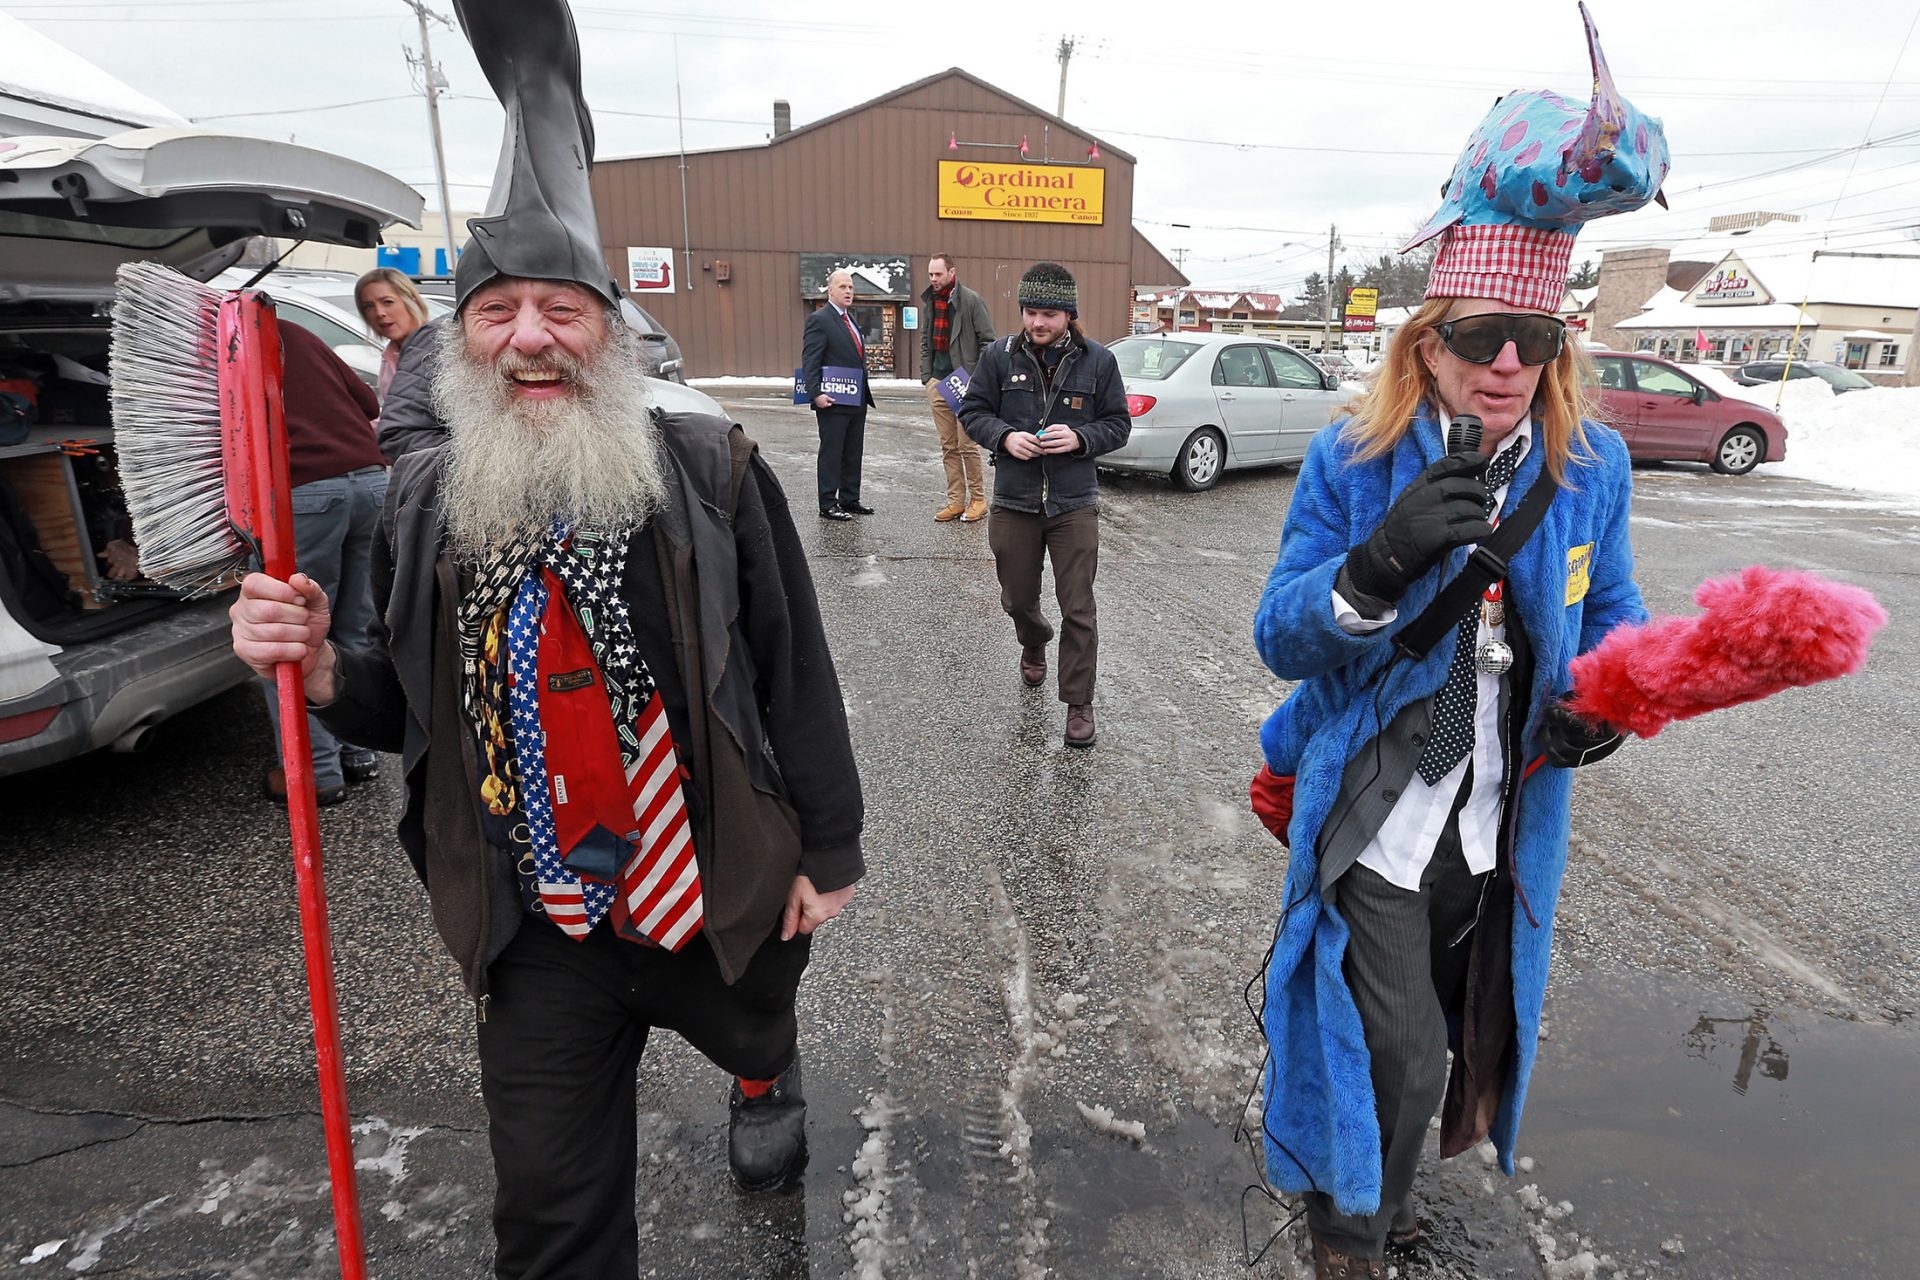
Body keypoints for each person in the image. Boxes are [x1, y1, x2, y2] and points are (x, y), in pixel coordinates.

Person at [229, 2, 864, 1273]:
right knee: (552, 1218)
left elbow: (795, 668)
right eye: (498, 310)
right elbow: (395, 714)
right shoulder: (427, 501)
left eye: (560, 309)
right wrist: (313, 663)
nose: (529, 336)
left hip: (702, 878)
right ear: (459, 343)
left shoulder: (713, 469)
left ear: (612, 334)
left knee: (756, 1007)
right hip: (539, 920)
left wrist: (833, 847)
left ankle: (764, 1077)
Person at [1247, 13, 1668, 1276]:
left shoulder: (1587, 469)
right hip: (1379, 803)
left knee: (1454, 1015)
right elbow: (1281, 632)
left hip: (1500, 814)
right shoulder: (1354, 457)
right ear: (1423, 340)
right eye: (1476, 335)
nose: (1502, 364)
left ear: (1557, 350)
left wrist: (1609, 698)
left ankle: (1375, 1179)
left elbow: (1618, 614)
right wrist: (1374, 567)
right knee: (1392, 1036)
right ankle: (1347, 1223)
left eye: (1530, 341)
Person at [958, 263, 1130, 749]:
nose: (1038, 322)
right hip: (1014, 500)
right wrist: (1005, 437)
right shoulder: (998, 356)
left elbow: (1118, 425)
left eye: (1049, 313)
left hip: (1073, 502)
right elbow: (972, 412)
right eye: (1031, 311)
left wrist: (1079, 436)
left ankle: (1079, 702)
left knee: (1079, 607)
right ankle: (1033, 639)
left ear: (1069, 315)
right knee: (1016, 597)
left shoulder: (1098, 362)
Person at [258, 320, 390, 806]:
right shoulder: (292, 329)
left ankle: (318, 774)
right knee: (352, 626)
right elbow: (369, 402)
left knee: (290, 635)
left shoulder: (219, 346)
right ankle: (360, 751)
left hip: (306, 490)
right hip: (370, 482)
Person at [918, 252, 994, 522]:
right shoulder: (931, 302)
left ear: (952, 272)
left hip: (964, 383)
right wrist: (927, 377)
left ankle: (978, 499)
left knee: (967, 445)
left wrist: (974, 378)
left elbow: (988, 342)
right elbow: (926, 341)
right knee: (948, 446)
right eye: (930, 274)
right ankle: (955, 501)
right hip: (938, 382)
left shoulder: (971, 301)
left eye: (938, 274)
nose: (933, 279)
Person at [799, 269, 875, 520]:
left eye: (851, 287)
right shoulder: (820, 320)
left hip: (855, 397)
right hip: (831, 401)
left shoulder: (851, 319)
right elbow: (811, 360)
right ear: (830, 290)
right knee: (832, 452)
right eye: (842, 286)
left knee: (853, 452)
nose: (848, 291)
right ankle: (828, 503)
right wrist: (815, 394)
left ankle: (850, 499)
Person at [353, 266, 432, 407]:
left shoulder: (440, 348)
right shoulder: (391, 356)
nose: (379, 313)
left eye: (387, 302)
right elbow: (395, 415)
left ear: (411, 301)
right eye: (368, 306)